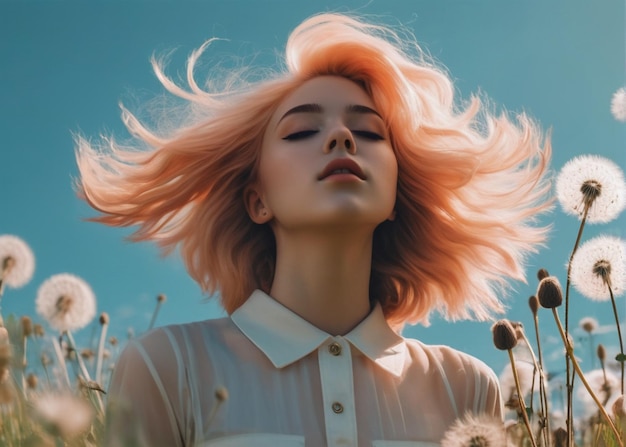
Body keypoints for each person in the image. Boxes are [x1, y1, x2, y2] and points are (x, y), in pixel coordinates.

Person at [76, 13, 551, 447]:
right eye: (301, 131)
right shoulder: (167, 366)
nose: (340, 137)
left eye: (368, 133)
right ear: (257, 200)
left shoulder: (464, 384)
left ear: (394, 198)